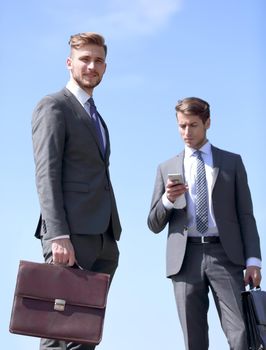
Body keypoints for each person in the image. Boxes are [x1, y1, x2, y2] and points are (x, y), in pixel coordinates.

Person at [147, 97, 262, 350]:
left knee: (241, 334)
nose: (186, 132)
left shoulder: (232, 162)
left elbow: (246, 215)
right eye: (181, 126)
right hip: (184, 259)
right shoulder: (166, 168)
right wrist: (168, 199)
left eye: (193, 125)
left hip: (225, 255)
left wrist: (253, 261)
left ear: (208, 123)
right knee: (194, 340)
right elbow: (153, 223)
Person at [32, 32, 121, 350]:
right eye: (85, 59)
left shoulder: (98, 119)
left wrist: (109, 238)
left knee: (84, 339)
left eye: (98, 61)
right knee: (59, 337)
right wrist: (57, 235)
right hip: (69, 239)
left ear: (105, 68)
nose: (91, 66)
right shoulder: (53, 106)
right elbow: (46, 174)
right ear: (70, 63)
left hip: (104, 241)